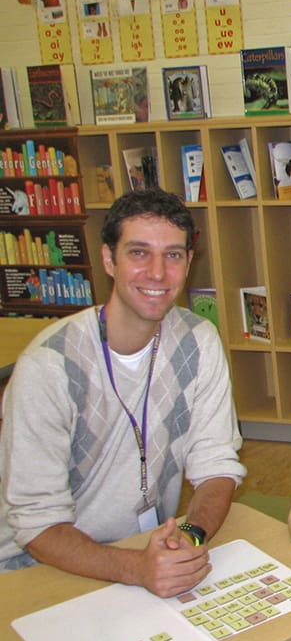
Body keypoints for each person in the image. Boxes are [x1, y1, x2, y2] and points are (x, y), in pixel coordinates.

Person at [0, 188, 246, 597]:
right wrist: (137, 568)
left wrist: (190, 535)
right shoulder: (49, 367)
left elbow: (216, 464)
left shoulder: (198, 340)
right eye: (138, 253)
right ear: (109, 260)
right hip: (40, 567)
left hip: (146, 553)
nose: (156, 273)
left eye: (172, 255)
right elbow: (36, 524)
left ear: (189, 263)